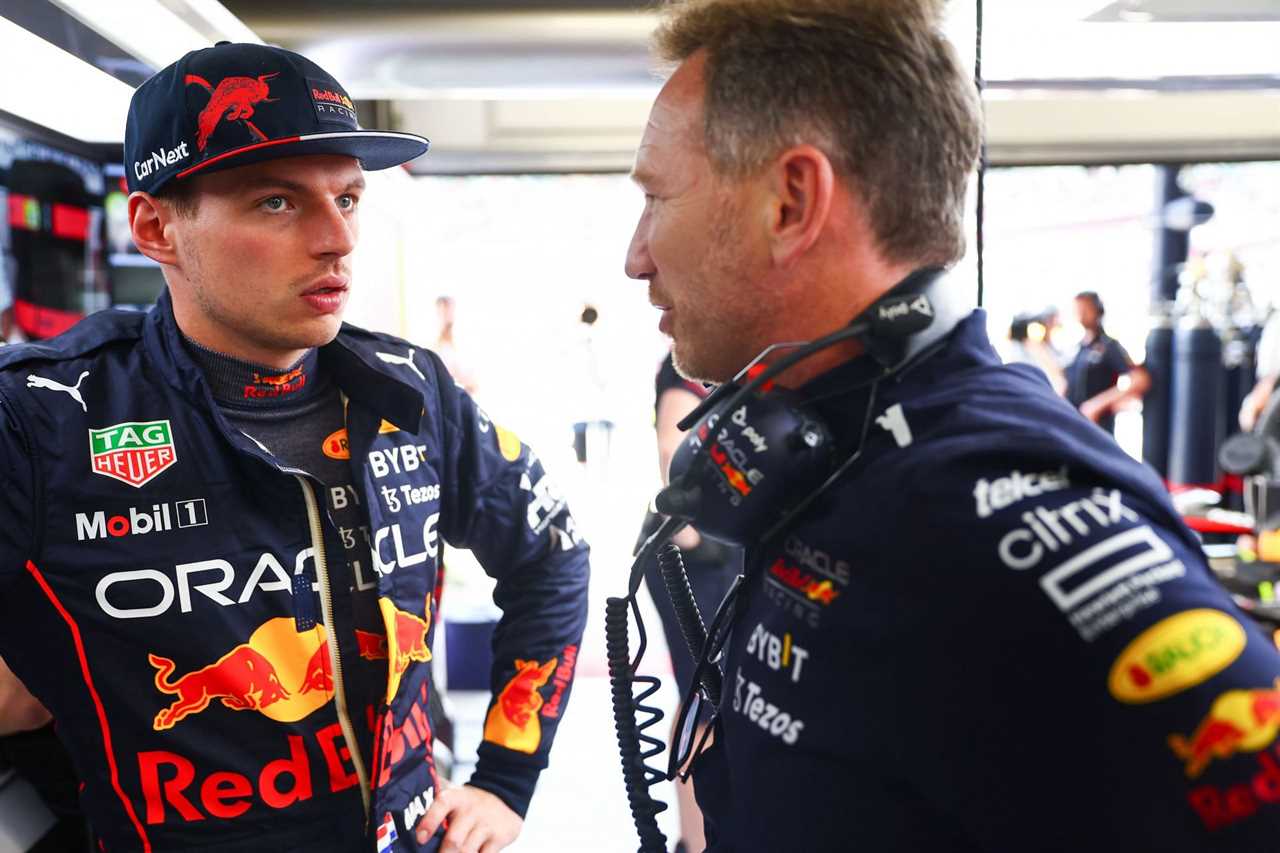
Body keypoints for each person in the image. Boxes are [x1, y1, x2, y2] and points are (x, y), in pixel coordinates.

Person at [623, 1, 1280, 849]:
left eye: (656, 197)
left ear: (791, 199)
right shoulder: (831, 457)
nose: (637, 254)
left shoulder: (993, 515)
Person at [0, 42, 589, 853]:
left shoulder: (412, 388)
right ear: (156, 227)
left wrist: (505, 779)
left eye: (347, 198)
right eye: (278, 203)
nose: (336, 239)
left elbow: (553, 552)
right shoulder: (39, 419)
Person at [637, 351, 740, 853]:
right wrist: (696, 534)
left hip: (732, 548)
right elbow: (669, 446)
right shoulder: (695, 359)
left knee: (720, 694)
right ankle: (695, 842)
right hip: (693, 554)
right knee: (704, 697)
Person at [1065, 290, 1149, 434]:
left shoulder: (1109, 346)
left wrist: (1098, 404)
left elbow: (1140, 379)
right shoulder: (1079, 347)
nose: (1081, 315)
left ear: (1098, 311)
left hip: (1098, 428)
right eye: (1078, 310)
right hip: (1075, 425)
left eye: (1085, 309)